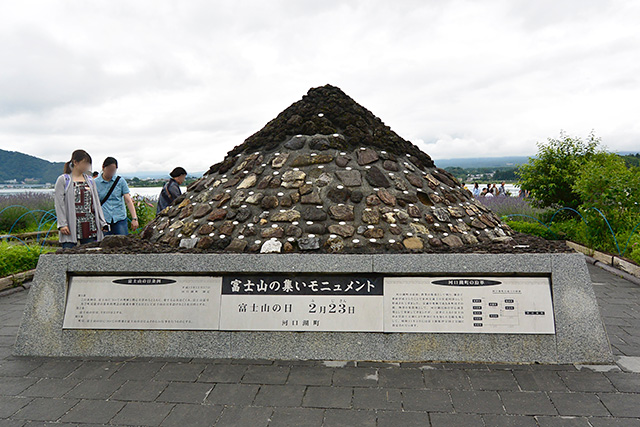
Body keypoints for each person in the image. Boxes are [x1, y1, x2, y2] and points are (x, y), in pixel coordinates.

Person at [54, 150, 108, 249]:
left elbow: (96, 203)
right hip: (71, 225)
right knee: (68, 255)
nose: (86, 166)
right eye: (84, 163)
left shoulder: (90, 180)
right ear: (75, 162)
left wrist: (102, 222)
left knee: (90, 254)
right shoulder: (64, 180)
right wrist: (62, 224)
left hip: (89, 224)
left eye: (88, 164)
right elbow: (59, 204)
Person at [96, 157, 138, 235]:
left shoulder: (120, 181)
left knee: (123, 242)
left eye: (113, 170)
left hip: (119, 217)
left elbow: (128, 200)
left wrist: (134, 218)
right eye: (109, 169)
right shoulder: (96, 183)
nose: (111, 172)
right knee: (105, 244)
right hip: (104, 219)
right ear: (103, 167)